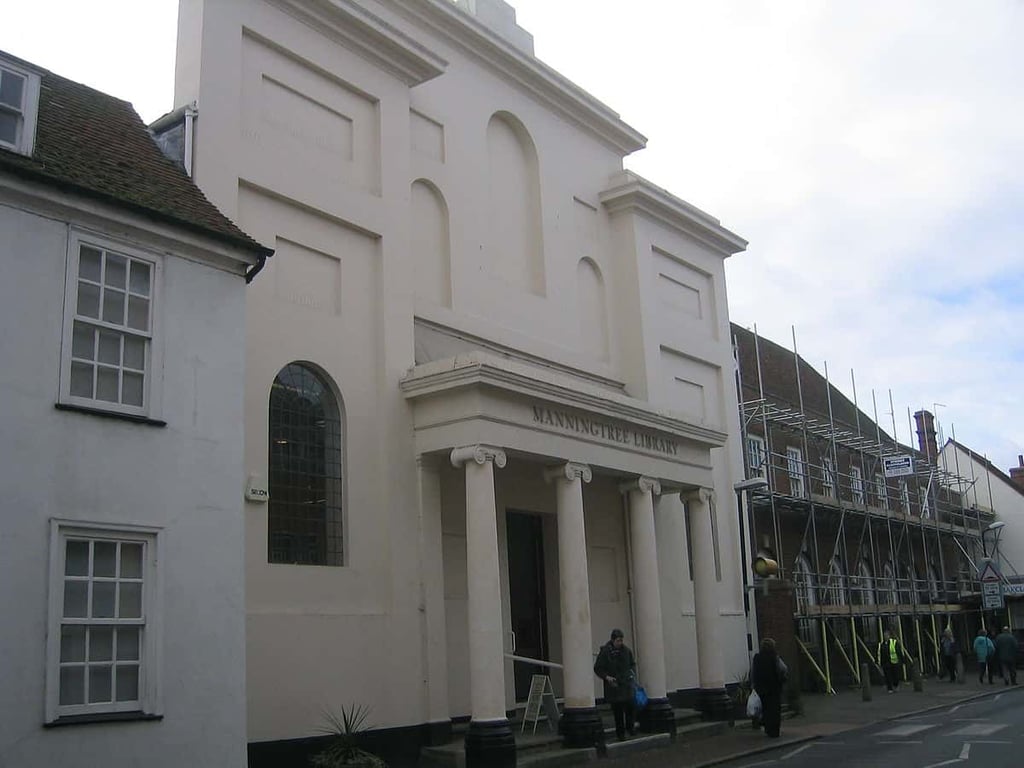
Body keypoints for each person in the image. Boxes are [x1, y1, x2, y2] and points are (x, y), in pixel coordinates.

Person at [594, 629, 636, 740]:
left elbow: (632, 664)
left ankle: (630, 728)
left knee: (630, 708)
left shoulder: (626, 651)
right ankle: (620, 733)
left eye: (621, 640)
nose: (620, 643)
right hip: (614, 686)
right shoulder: (605, 652)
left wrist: (631, 673)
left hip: (626, 684)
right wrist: (607, 677)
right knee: (618, 711)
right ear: (613, 640)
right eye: (618, 640)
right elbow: (598, 668)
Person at [751, 637, 787, 738]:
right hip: (774, 688)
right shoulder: (774, 657)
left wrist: (753, 684)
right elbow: (783, 669)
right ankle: (774, 731)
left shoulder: (757, 658)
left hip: (761, 688)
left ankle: (767, 728)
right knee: (774, 710)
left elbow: (753, 672)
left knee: (765, 709)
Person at [878, 628, 908, 693]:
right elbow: (880, 654)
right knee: (887, 676)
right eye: (884, 635)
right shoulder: (881, 644)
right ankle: (890, 688)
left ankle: (896, 685)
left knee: (895, 675)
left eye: (886, 635)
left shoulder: (894, 642)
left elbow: (898, 651)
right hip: (886, 663)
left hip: (894, 662)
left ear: (889, 636)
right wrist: (879, 662)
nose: (885, 637)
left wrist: (902, 660)